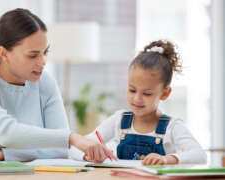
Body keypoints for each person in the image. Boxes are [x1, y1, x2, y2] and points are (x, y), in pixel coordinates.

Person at [0, 8, 116, 163]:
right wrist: (71, 138)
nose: (43, 62)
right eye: (33, 55)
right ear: (3, 53)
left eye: (45, 52)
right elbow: (8, 133)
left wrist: (2, 155)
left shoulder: (44, 82)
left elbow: (59, 149)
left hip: (11, 172)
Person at [69, 40, 207, 165]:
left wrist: (167, 159)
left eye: (147, 93)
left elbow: (200, 156)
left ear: (165, 93)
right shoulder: (119, 119)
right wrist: (88, 155)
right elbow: (75, 149)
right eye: (132, 90)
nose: (137, 99)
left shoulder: (172, 127)